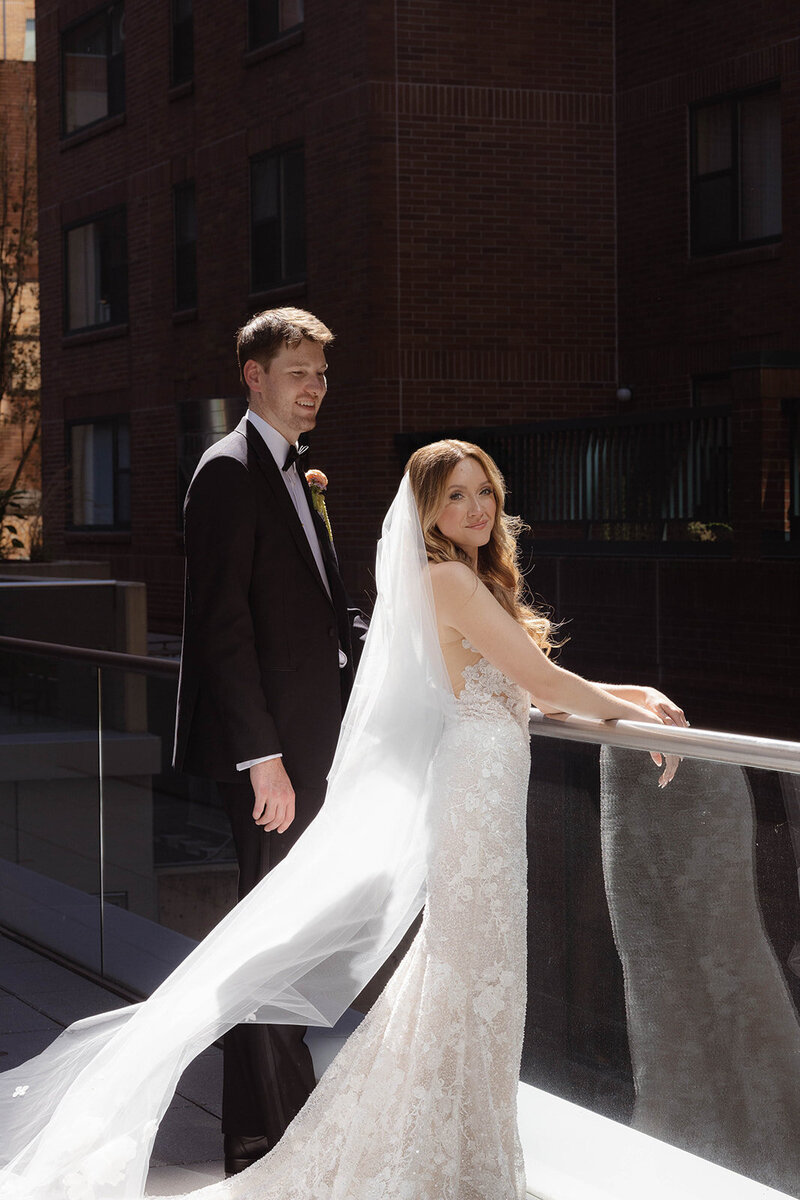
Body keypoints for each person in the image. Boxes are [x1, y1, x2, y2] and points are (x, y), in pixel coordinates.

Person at [0, 440, 684, 1200]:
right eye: (456, 496)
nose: (477, 508)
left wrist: (631, 696)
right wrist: (637, 706)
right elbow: (540, 678)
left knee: (472, 979)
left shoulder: (458, 579)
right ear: (427, 509)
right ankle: (448, 1163)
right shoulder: (449, 579)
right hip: (475, 801)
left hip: (485, 795)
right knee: (474, 976)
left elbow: (528, 687)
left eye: (484, 491)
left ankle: (457, 1157)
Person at [173, 307, 356, 1173]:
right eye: (297, 371)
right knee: (270, 944)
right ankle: (261, 1143)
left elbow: (318, 614)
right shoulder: (229, 471)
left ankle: (272, 1134)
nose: (314, 386)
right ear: (253, 376)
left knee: (286, 939)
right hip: (271, 761)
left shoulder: (301, 474)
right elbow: (221, 626)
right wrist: (263, 760)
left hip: (313, 748)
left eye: (321, 372)